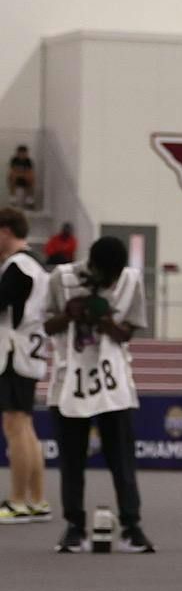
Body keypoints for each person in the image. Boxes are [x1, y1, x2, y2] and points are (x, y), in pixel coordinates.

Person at [44, 234, 150, 553]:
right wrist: (70, 314)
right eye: (108, 274)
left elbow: (126, 333)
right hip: (69, 379)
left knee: (121, 456)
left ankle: (132, 525)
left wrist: (104, 321)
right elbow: (46, 326)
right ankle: (74, 525)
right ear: (93, 266)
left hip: (113, 382)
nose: (112, 280)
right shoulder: (61, 278)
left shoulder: (130, 281)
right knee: (72, 458)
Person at [0, 208, 51, 523]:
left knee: (15, 426)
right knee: (25, 426)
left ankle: (18, 500)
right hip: (29, 353)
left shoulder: (18, 267)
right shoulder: (36, 266)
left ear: (5, 231)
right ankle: (37, 499)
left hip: (14, 353)